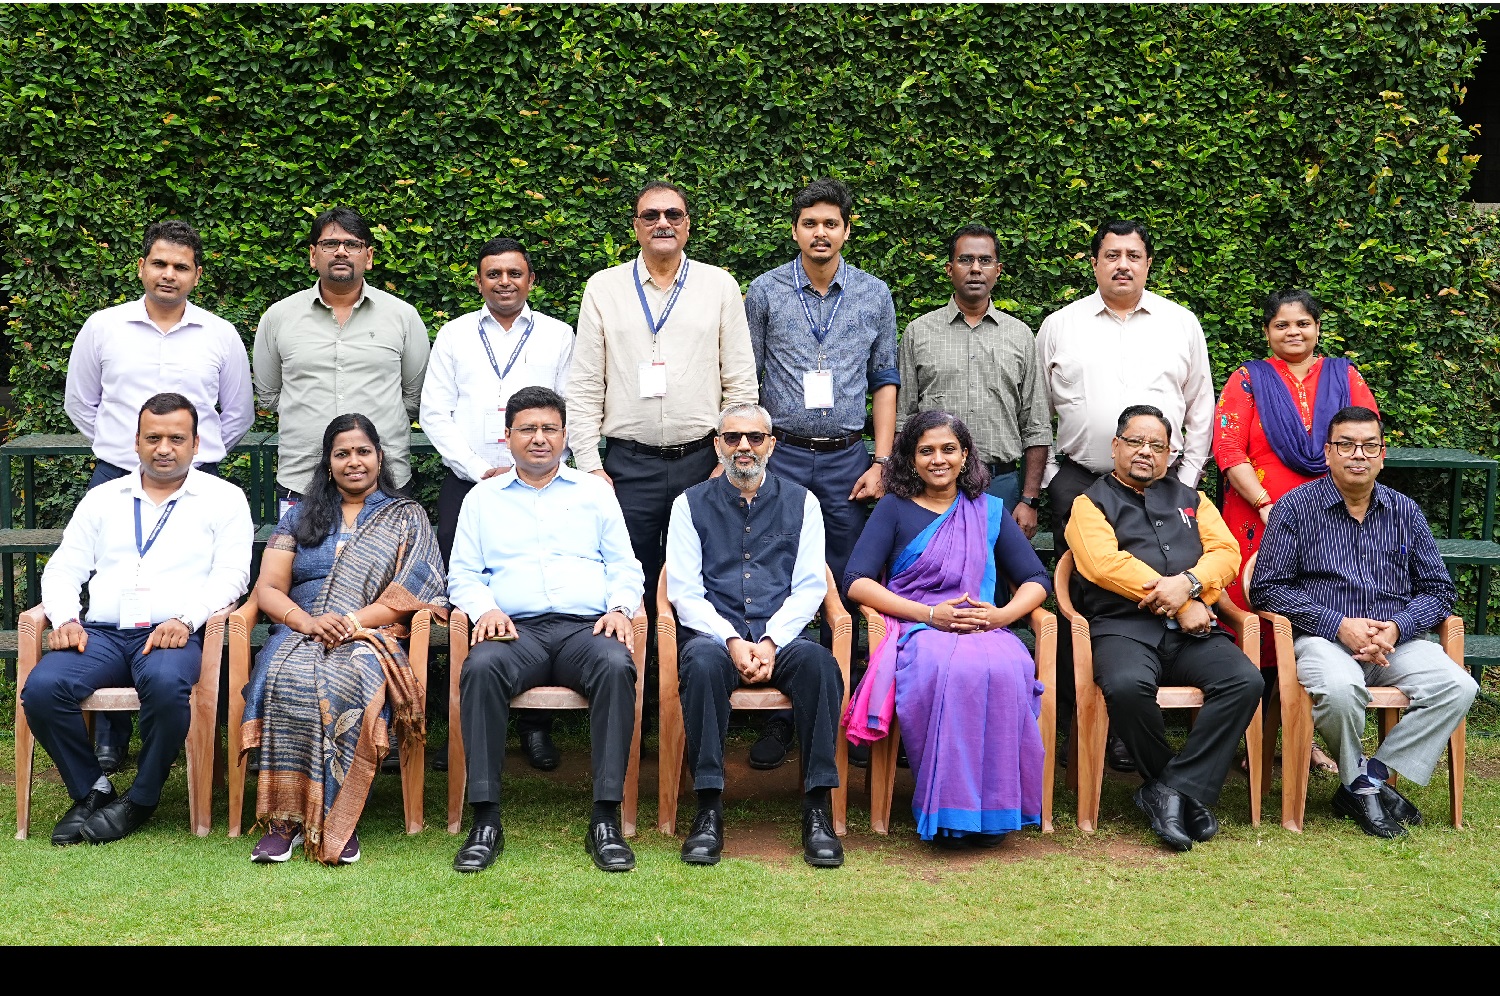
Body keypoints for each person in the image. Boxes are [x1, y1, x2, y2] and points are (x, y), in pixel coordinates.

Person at [63, 218, 253, 772]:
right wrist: (131, 451)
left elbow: (236, 412)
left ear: (196, 274)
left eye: (181, 266)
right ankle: (110, 737)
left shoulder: (219, 335)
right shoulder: (102, 327)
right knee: (113, 600)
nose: (169, 274)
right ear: (142, 266)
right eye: (160, 263)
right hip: (119, 476)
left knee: (188, 593)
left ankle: (174, 724)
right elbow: (82, 403)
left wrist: (190, 456)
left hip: (197, 485)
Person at [22, 393, 252, 846]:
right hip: (102, 634)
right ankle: (92, 789)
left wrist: (187, 620)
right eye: (153, 438)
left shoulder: (223, 498)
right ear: (136, 442)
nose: (164, 447)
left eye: (176, 438)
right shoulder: (104, 498)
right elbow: (65, 566)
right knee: (44, 690)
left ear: (195, 443)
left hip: (173, 634)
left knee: (167, 690)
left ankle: (141, 798)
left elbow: (233, 574)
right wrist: (66, 618)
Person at [1037, 219, 1215, 773]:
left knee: (1147, 587)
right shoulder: (1060, 325)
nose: (1122, 264)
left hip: (1166, 485)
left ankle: (1129, 726)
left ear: (1148, 264)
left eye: (1133, 255)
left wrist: (1186, 479)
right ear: (1094, 263)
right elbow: (1037, 409)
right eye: (1111, 254)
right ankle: (1085, 719)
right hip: (1080, 479)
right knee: (1091, 600)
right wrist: (1046, 483)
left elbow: (1200, 406)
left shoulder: (1180, 324)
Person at [1249, 406, 1477, 838]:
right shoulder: (1295, 509)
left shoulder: (1404, 511)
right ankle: (1362, 784)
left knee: (1458, 686)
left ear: (1382, 453)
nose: (1359, 454)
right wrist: (1338, 623)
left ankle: (1367, 778)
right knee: (1338, 689)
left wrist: (1397, 626)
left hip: (1395, 641)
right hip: (1323, 639)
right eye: (1347, 445)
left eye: (1369, 445)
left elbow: (1439, 589)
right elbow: (1268, 588)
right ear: (1328, 452)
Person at [448, 386, 644, 875]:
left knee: (617, 664)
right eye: (528, 429)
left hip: (586, 629)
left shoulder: (595, 493)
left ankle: (605, 819)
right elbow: (463, 575)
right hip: (517, 630)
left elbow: (626, 566)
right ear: (508, 436)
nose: (540, 439)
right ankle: (485, 820)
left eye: (550, 429)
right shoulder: (482, 499)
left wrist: (621, 608)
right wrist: (484, 608)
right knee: (482, 666)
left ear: (564, 436)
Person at [241, 413, 448, 865]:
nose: (353, 461)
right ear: (328, 462)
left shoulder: (406, 516)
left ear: (379, 456)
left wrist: (351, 621)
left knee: (348, 679)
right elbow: (269, 589)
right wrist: (307, 623)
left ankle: (338, 818)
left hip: (368, 634)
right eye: (342, 453)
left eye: (362, 451)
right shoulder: (298, 516)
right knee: (285, 674)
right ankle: (284, 821)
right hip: (300, 629)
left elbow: (413, 593)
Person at [743, 177, 898, 769]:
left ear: (847, 230)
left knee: (851, 580)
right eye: (810, 223)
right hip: (778, 456)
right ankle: (785, 716)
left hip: (846, 460)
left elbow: (885, 378)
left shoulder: (872, 293)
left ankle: (854, 712)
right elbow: (748, 379)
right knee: (783, 579)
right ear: (795, 230)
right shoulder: (765, 291)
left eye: (831, 223)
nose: (820, 233)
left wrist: (882, 461)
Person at [843, 410, 1051, 844]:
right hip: (920, 630)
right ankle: (950, 810)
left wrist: (1001, 616)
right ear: (911, 459)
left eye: (948, 449)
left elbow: (1036, 581)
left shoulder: (989, 511)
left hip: (984, 627)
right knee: (952, 672)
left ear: (965, 455)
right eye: (926, 451)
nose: (938, 459)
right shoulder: (893, 509)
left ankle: (995, 810)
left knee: (1005, 666)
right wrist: (928, 615)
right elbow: (857, 581)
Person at [1064, 405, 1261, 852]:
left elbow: (1227, 553)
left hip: (1194, 629)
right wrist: (1179, 602)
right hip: (1123, 627)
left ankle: (1170, 790)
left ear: (1171, 454)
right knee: (1125, 686)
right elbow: (1102, 565)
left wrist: (1189, 586)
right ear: (1116, 446)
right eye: (1135, 441)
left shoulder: (1192, 498)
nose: (1145, 452)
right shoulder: (1089, 503)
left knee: (1244, 681)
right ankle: (1178, 788)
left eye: (1157, 445)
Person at [665, 403, 845, 868]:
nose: (743, 446)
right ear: (718, 445)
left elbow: (810, 585)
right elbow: (684, 590)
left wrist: (770, 641)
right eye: (732, 438)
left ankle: (818, 810)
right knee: (702, 664)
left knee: (820, 666)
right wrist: (730, 639)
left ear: (772, 444)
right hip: (714, 635)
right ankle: (707, 810)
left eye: (754, 437)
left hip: (780, 636)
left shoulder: (803, 502)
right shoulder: (688, 504)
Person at [420, 235, 574, 772]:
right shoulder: (455, 334)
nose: (504, 282)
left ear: (530, 280)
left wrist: (529, 463)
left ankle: (536, 729)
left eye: (515, 273)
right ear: (479, 280)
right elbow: (434, 411)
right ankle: (459, 725)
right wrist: (475, 468)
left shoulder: (558, 335)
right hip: (470, 481)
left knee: (536, 588)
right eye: (493, 274)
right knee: (463, 598)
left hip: (539, 482)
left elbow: (568, 407)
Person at [1214, 288, 1380, 775]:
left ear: (1317, 328)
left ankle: (1302, 742)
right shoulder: (1248, 379)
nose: (1293, 332)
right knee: (1257, 625)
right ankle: (1249, 741)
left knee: (1321, 616)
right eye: (1283, 325)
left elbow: (1365, 445)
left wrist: (1339, 505)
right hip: (1256, 520)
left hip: (1332, 520)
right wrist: (1268, 505)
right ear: (1268, 331)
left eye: (1303, 323)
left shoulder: (1345, 377)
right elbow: (1228, 450)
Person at [568, 180, 758, 597]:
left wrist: (728, 461)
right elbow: (583, 384)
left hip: (701, 461)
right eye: (651, 215)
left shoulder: (719, 285)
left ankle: (694, 660)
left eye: (673, 215)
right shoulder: (604, 287)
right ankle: (632, 661)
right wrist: (590, 466)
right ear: (636, 227)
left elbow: (741, 383)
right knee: (627, 577)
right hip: (626, 467)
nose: (663, 223)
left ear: (687, 225)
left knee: (702, 577)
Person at [253, 206, 430, 504]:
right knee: (302, 552)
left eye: (352, 244)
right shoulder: (278, 317)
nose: (341, 252)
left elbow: (414, 398)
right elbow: (269, 396)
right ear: (313, 255)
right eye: (330, 244)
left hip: (385, 480)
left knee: (387, 553)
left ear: (369, 257)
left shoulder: (403, 317)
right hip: (303, 479)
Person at [898, 223, 1051, 532]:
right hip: (932, 486)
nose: (976, 269)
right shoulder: (919, 332)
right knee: (933, 577)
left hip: (1002, 486)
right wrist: (905, 488)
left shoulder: (1020, 335)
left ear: (998, 270)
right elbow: (904, 419)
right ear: (949, 268)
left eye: (985, 261)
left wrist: (1030, 499)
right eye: (966, 260)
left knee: (996, 577)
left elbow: (1035, 425)